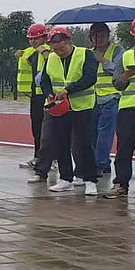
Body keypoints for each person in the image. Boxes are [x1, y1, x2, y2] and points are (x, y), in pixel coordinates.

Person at [28, 26, 98, 194]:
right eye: (55, 49)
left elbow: (90, 78)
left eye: (62, 48)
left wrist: (68, 90)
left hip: (82, 106)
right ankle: (65, 178)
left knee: (84, 144)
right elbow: (44, 80)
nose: (59, 52)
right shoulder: (51, 58)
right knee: (61, 143)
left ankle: (90, 180)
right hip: (59, 107)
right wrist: (48, 94)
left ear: (69, 42)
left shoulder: (85, 54)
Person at [105, 15, 135, 198]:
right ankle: (121, 183)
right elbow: (117, 84)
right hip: (128, 109)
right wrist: (124, 77)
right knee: (124, 149)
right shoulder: (126, 56)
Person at [88, 22, 124, 176]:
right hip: (92, 98)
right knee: (92, 133)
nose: (99, 38)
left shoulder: (117, 50)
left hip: (111, 97)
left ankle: (99, 164)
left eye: (102, 35)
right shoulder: (88, 53)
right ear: (91, 37)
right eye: (95, 35)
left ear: (108, 35)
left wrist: (102, 60)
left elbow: (119, 70)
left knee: (105, 133)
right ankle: (104, 162)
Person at [15, 23, 51, 168]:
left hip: (48, 95)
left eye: (36, 38)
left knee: (48, 130)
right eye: (30, 39)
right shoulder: (32, 52)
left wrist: (45, 52)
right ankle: (38, 156)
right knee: (36, 128)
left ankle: (51, 159)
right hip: (35, 95)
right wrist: (20, 55)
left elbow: (53, 62)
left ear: (44, 37)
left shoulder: (50, 51)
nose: (33, 41)